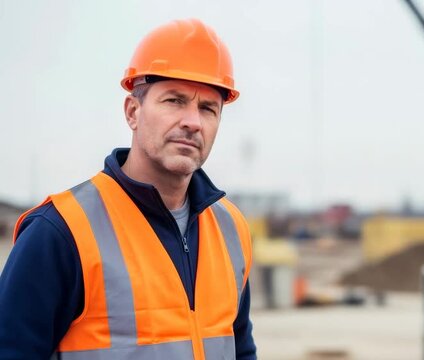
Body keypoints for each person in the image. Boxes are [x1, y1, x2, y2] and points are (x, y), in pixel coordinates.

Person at [0, 19, 256, 359]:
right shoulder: (61, 232)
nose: (193, 122)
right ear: (133, 112)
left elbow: (241, 349)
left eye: (208, 108)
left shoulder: (231, 230)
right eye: (174, 101)